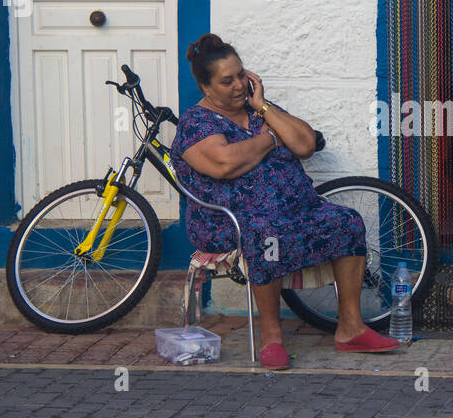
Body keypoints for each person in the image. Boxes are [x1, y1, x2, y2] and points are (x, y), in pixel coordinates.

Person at [170, 33, 400, 370]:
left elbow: (305, 143)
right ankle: (272, 336)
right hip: (228, 220)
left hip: (295, 209)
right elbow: (224, 163)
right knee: (266, 233)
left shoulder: (258, 110)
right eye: (227, 81)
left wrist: (262, 106)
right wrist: (271, 140)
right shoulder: (196, 123)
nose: (238, 85)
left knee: (346, 221)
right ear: (206, 88)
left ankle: (350, 328)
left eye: (241, 75)